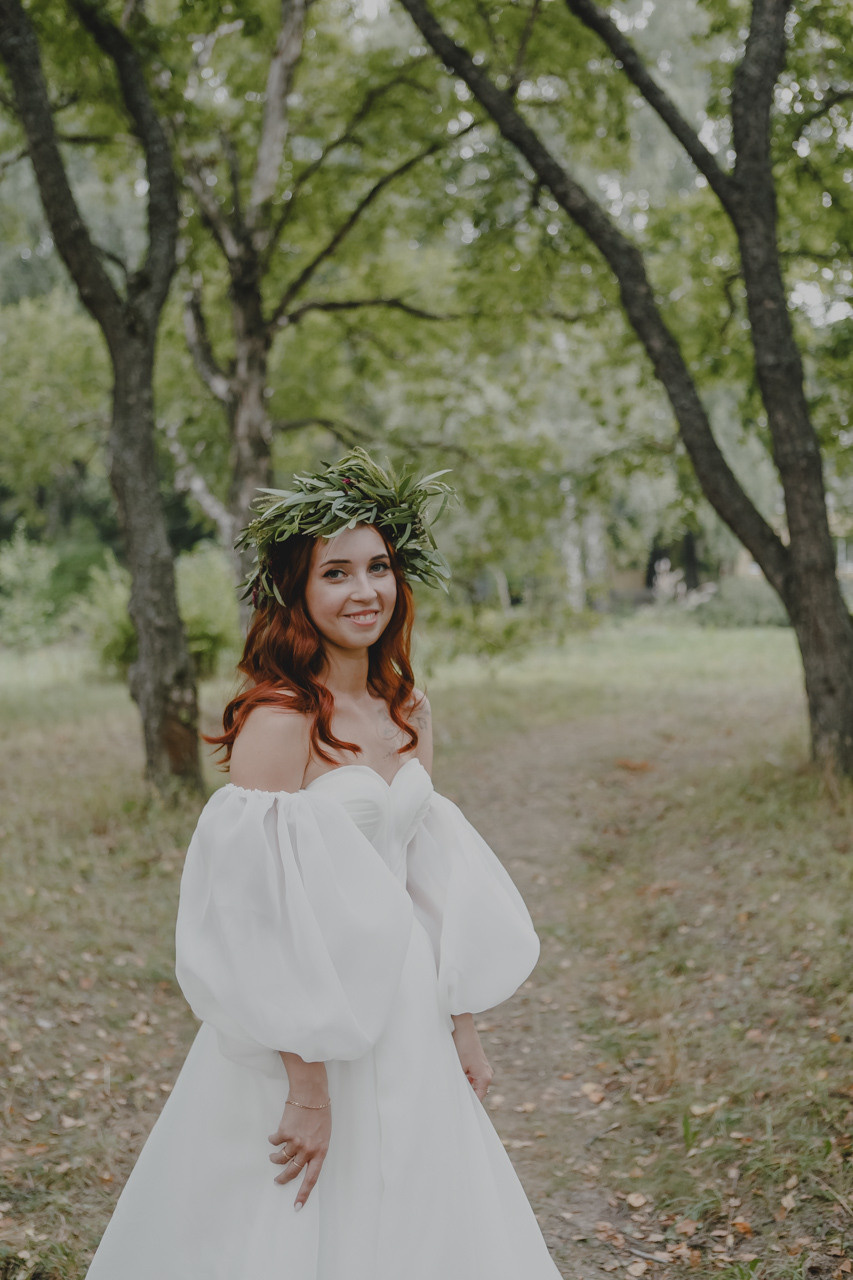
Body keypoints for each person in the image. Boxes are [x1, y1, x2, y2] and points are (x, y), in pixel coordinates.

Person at [85, 448, 563, 1280]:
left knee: (418, 1210)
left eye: (377, 567)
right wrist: (305, 1088)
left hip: (405, 1009)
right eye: (335, 572)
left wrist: (461, 1022)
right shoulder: (278, 722)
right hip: (308, 1018)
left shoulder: (404, 711)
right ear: (296, 591)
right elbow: (258, 919)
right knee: (298, 1217)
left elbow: (428, 877)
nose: (363, 591)